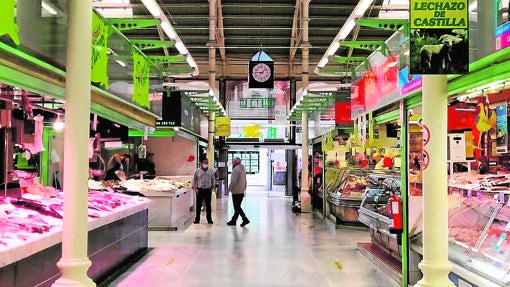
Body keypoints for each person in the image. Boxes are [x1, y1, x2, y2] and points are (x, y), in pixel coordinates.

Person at [227, 157, 250, 226]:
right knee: (237, 207)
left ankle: (245, 219)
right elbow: (245, 180)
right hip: (241, 191)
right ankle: (233, 220)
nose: (232, 163)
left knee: (237, 207)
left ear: (236, 162)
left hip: (236, 191)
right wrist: (244, 187)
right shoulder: (242, 169)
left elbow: (233, 181)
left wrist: (229, 189)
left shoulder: (236, 169)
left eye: (233, 162)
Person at [192, 158, 216, 224]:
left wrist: (213, 186)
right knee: (198, 205)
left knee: (208, 205)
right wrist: (195, 188)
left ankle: (209, 219)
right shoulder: (197, 171)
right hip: (199, 190)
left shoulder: (210, 170)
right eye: (205, 162)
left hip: (208, 190)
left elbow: (213, 179)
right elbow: (194, 180)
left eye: (207, 162)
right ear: (201, 163)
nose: (206, 164)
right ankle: (197, 219)